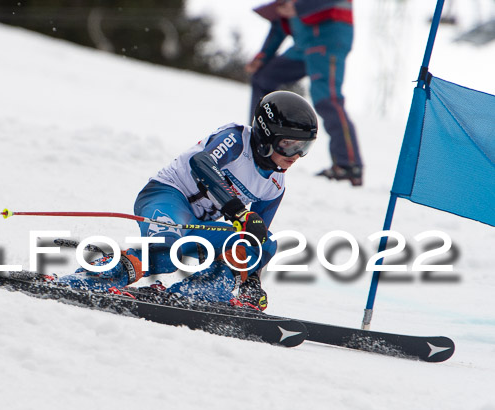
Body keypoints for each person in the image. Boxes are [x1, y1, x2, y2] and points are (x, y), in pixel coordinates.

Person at [57, 91, 318, 309]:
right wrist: (238, 212)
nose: (296, 155)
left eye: (304, 148)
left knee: (260, 244)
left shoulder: (275, 186)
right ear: (266, 136)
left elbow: (255, 237)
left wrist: (251, 283)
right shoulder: (236, 139)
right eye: (290, 145)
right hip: (166, 195)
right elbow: (201, 162)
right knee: (167, 250)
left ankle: (196, 293)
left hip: (198, 226)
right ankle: (90, 279)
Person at [247, 0, 363, 186]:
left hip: (327, 40)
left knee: (327, 99)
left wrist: (298, 7)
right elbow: (279, 24)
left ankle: (348, 166)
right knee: (262, 78)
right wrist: (262, 56)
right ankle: (257, 145)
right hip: (303, 46)